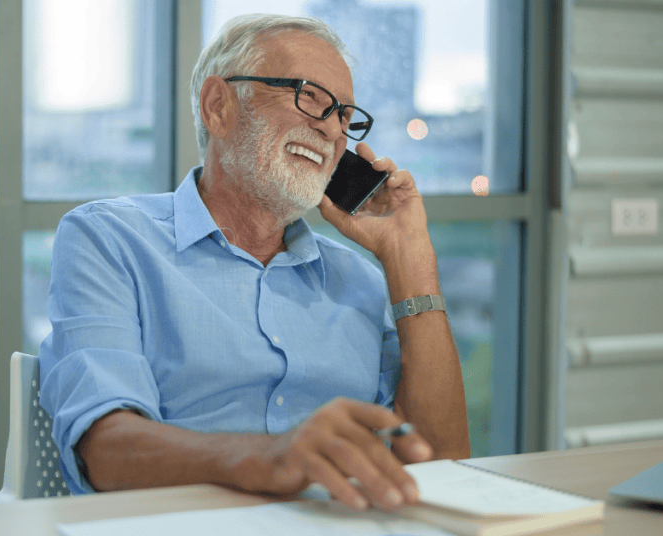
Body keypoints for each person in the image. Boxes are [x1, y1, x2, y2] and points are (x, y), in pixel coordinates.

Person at [38, 13, 469, 512]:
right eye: (309, 96)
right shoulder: (109, 240)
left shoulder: (361, 280)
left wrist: (408, 257)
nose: (331, 130)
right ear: (218, 107)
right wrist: (273, 457)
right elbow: (107, 452)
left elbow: (443, 460)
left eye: (345, 117)